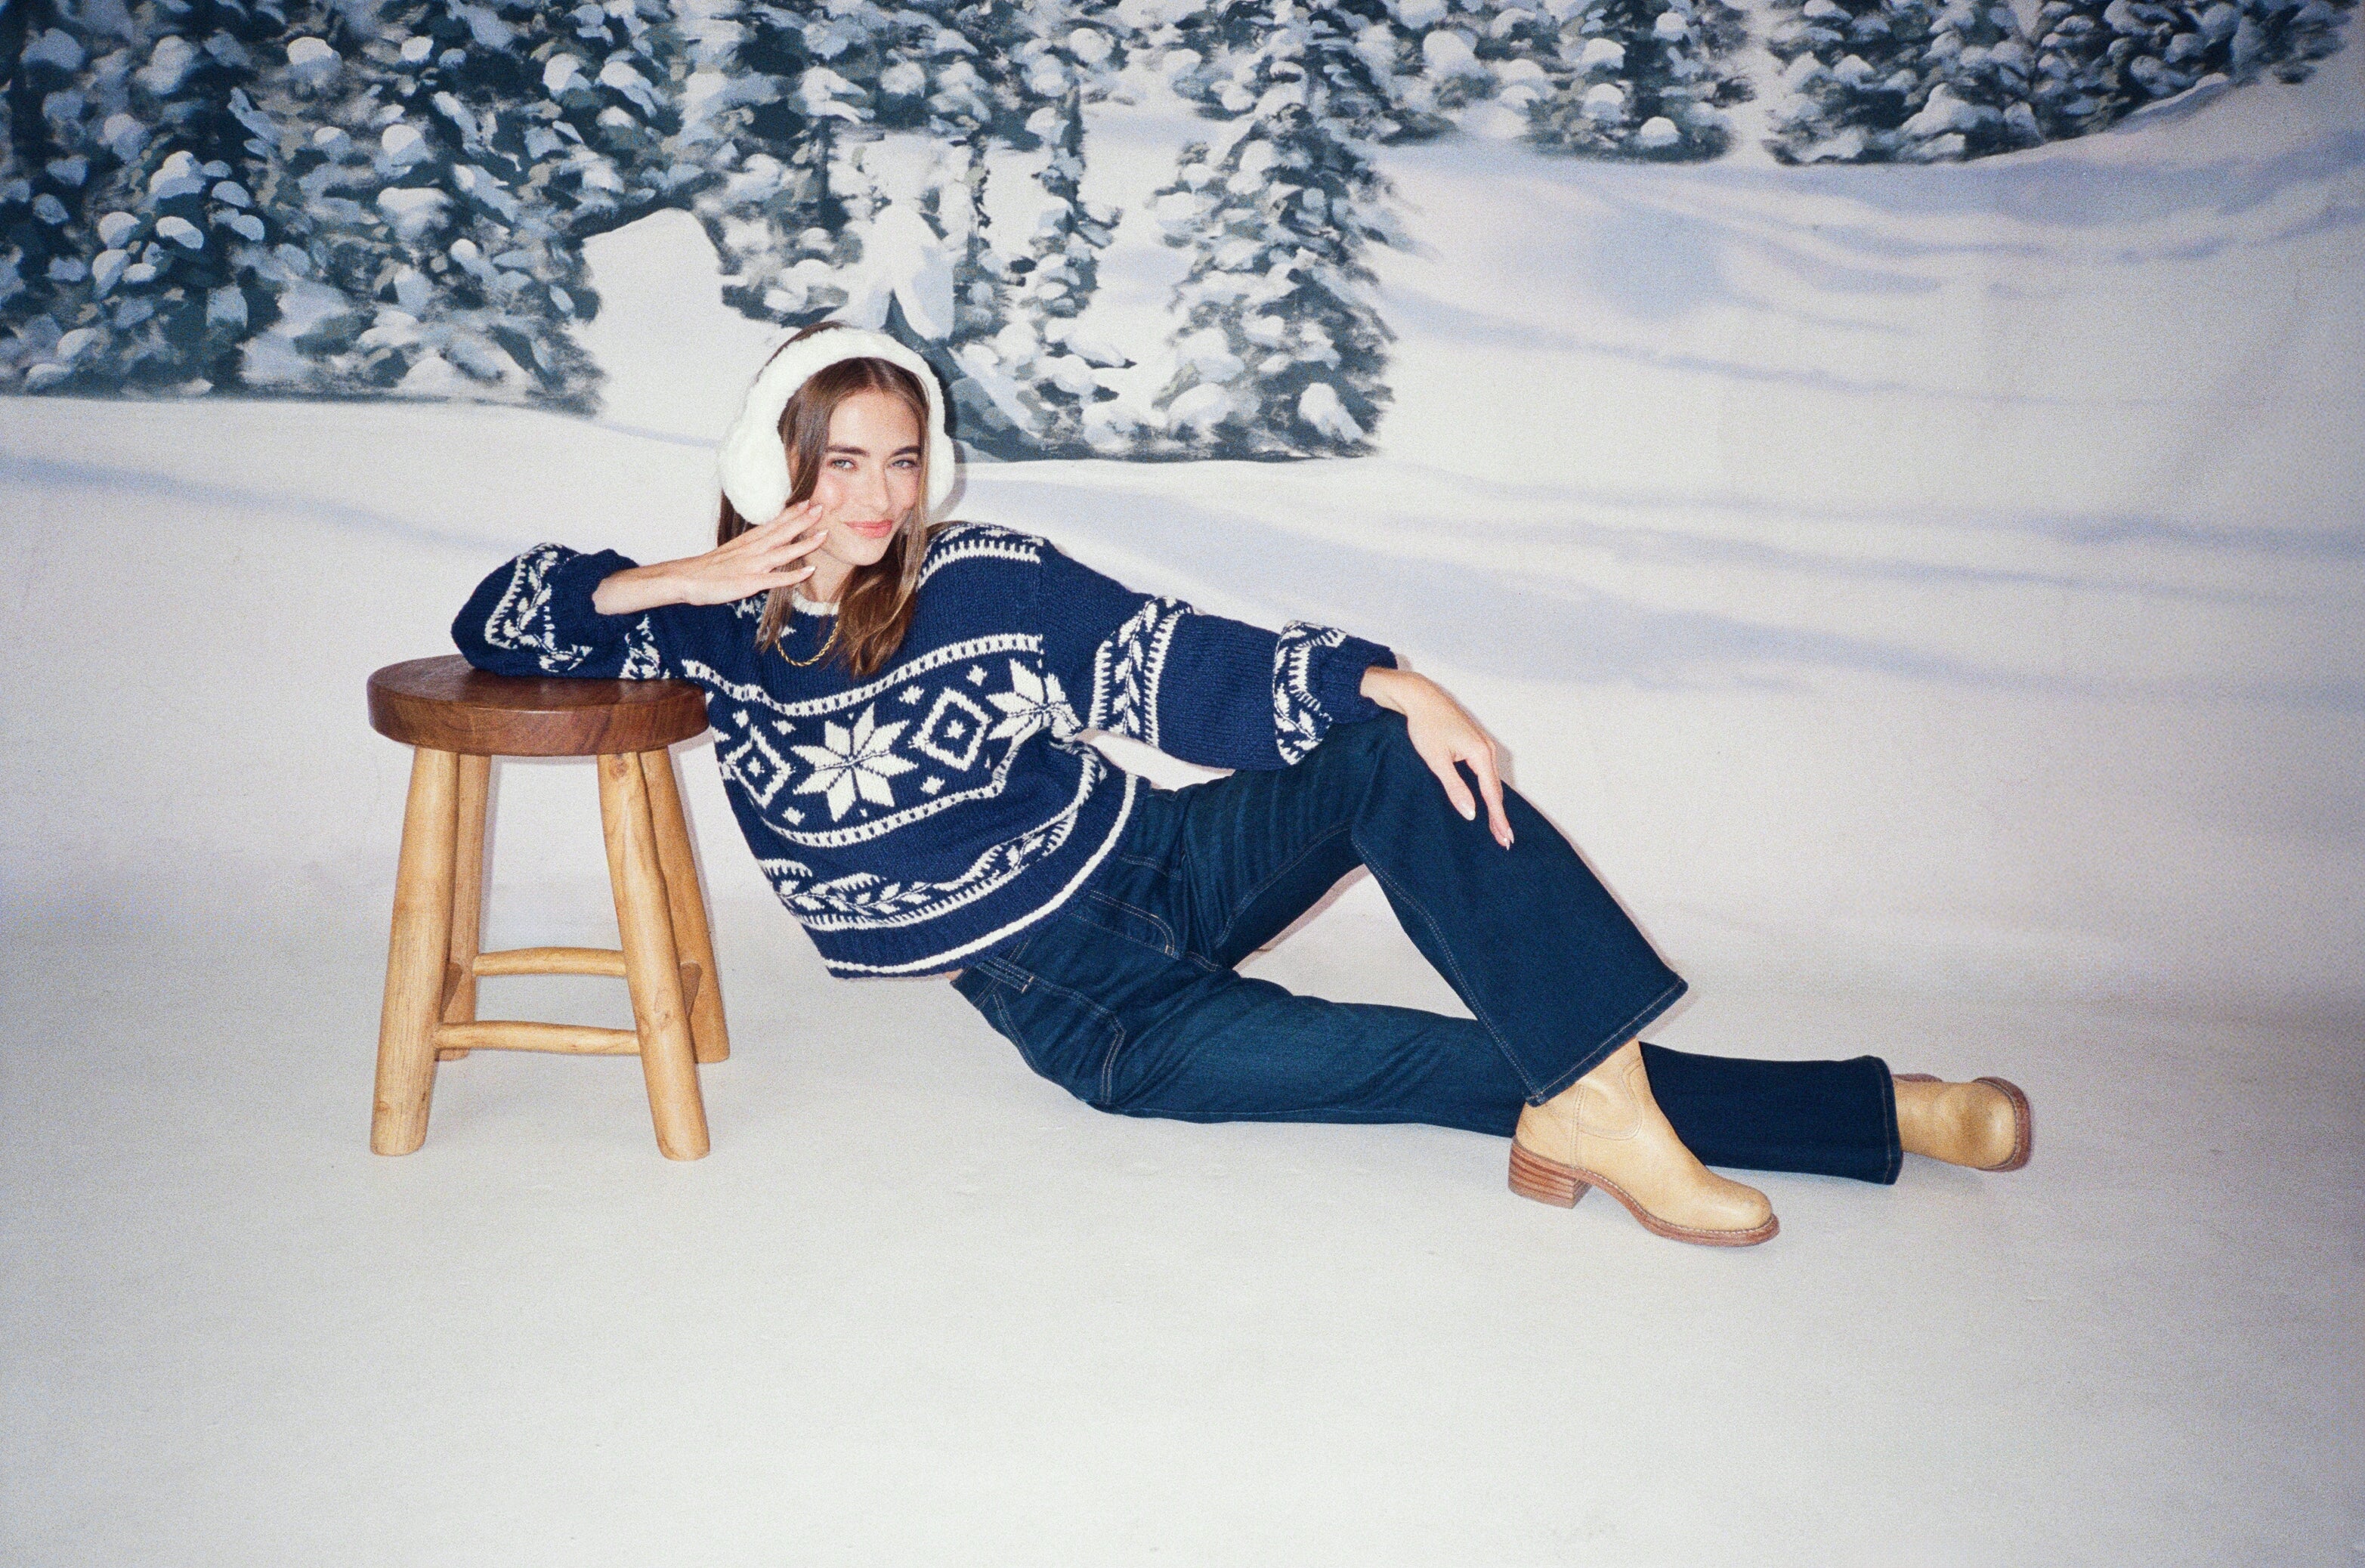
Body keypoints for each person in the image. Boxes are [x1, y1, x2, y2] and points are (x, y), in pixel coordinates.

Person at [453, 323, 2032, 1246]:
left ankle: (1604, 1104)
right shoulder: (708, 635)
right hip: (1081, 1004)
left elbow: (1170, 661)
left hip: (1159, 855)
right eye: (838, 462)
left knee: (1379, 759)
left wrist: (1384, 684)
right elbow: (501, 615)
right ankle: (1869, 1109)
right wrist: (686, 571)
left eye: (900, 458)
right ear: (772, 466)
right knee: (1431, 1065)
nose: (876, 495)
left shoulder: (985, 572)